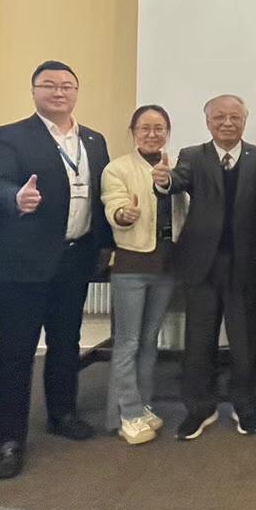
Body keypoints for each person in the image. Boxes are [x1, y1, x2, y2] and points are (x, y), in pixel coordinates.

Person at [0, 60, 111, 480]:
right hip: (24, 261)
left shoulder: (93, 140)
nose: (59, 92)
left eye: (67, 86)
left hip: (76, 258)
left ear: (76, 91)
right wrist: (14, 198)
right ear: (34, 90)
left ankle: (62, 413)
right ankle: (9, 437)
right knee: (17, 350)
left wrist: (104, 246)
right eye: (49, 85)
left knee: (66, 342)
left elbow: (101, 194)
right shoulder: (10, 136)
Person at [155, 94, 256, 440]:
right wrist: (163, 180)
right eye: (219, 117)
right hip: (201, 264)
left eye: (234, 117)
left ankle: (245, 404)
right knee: (199, 340)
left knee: (245, 341)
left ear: (244, 121)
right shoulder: (193, 156)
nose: (227, 123)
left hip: (247, 263)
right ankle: (200, 408)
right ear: (208, 122)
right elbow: (176, 182)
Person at [101, 105, 184, 445]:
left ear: (167, 132)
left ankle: (142, 404)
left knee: (150, 340)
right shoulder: (117, 168)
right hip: (132, 266)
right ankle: (125, 414)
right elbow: (113, 204)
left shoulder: (175, 170)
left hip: (166, 266)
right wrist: (124, 214)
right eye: (144, 128)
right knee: (128, 342)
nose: (152, 134)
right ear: (133, 132)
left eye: (159, 128)